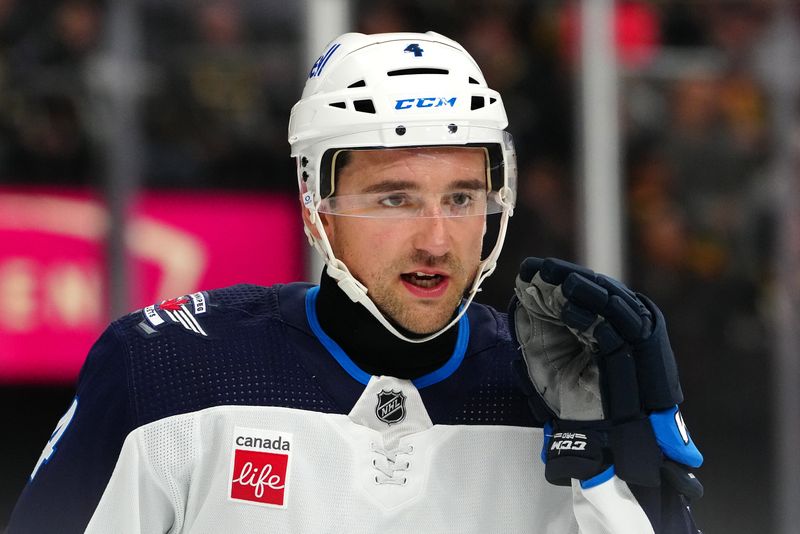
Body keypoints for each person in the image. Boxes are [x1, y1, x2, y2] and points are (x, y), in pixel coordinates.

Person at [8, 32, 703, 533]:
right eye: (393, 199)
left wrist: (628, 487)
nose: (436, 237)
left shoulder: (559, 396)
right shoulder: (167, 370)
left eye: (462, 198)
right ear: (315, 204)